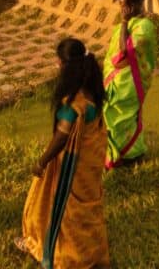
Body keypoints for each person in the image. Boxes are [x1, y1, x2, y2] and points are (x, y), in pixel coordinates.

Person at [16, 38, 110, 269]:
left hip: (73, 165)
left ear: (68, 67)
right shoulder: (93, 90)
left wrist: (42, 161)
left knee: (59, 207)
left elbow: (61, 137)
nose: (57, 66)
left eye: (59, 62)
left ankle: (62, 254)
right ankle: (93, 253)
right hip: (92, 161)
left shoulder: (73, 103)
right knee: (88, 208)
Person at [102, 0, 156, 168]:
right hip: (115, 80)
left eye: (123, 7)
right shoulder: (121, 27)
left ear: (132, 7)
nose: (121, 11)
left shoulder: (145, 27)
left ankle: (131, 155)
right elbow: (113, 55)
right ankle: (114, 154)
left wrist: (124, 22)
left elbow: (124, 52)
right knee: (112, 115)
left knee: (126, 116)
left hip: (130, 82)